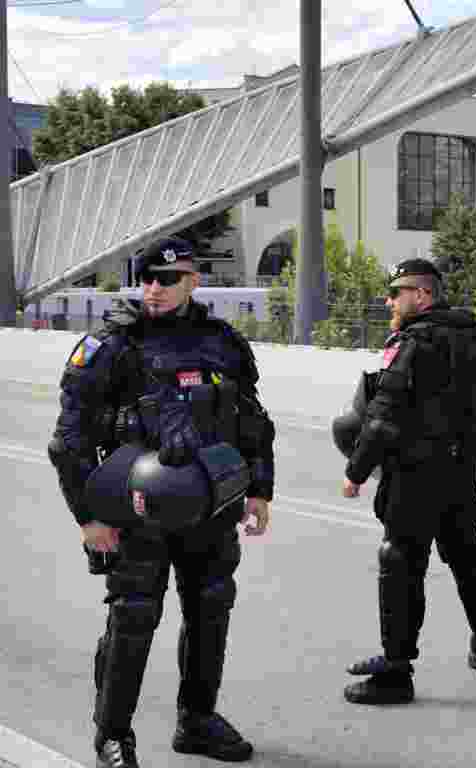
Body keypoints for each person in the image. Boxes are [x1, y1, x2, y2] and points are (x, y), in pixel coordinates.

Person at [48, 237, 275, 768]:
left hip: (210, 508)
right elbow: (68, 442)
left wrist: (260, 488)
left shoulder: (223, 343)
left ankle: (197, 720)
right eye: (146, 277)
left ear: (193, 280)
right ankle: (113, 736)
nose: (154, 288)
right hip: (136, 509)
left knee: (211, 606)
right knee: (134, 616)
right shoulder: (110, 347)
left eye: (166, 279)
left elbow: (252, 424)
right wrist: (89, 517)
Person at [341, 258, 476, 705]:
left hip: (414, 473)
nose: (389, 300)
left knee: (401, 562)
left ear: (423, 295)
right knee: (466, 557)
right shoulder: (472, 334)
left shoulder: (414, 343)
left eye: (397, 292)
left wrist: (355, 473)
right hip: (460, 468)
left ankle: (395, 671)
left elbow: (380, 421)